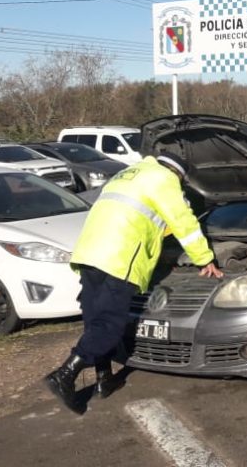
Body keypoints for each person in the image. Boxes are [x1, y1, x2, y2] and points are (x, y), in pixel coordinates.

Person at [44, 151, 223, 414]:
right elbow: (183, 221)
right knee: (111, 323)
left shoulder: (127, 174)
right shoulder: (164, 179)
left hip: (90, 252)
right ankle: (65, 375)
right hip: (120, 256)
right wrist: (204, 258)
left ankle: (104, 378)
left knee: (96, 317)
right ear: (178, 175)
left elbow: (146, 218)